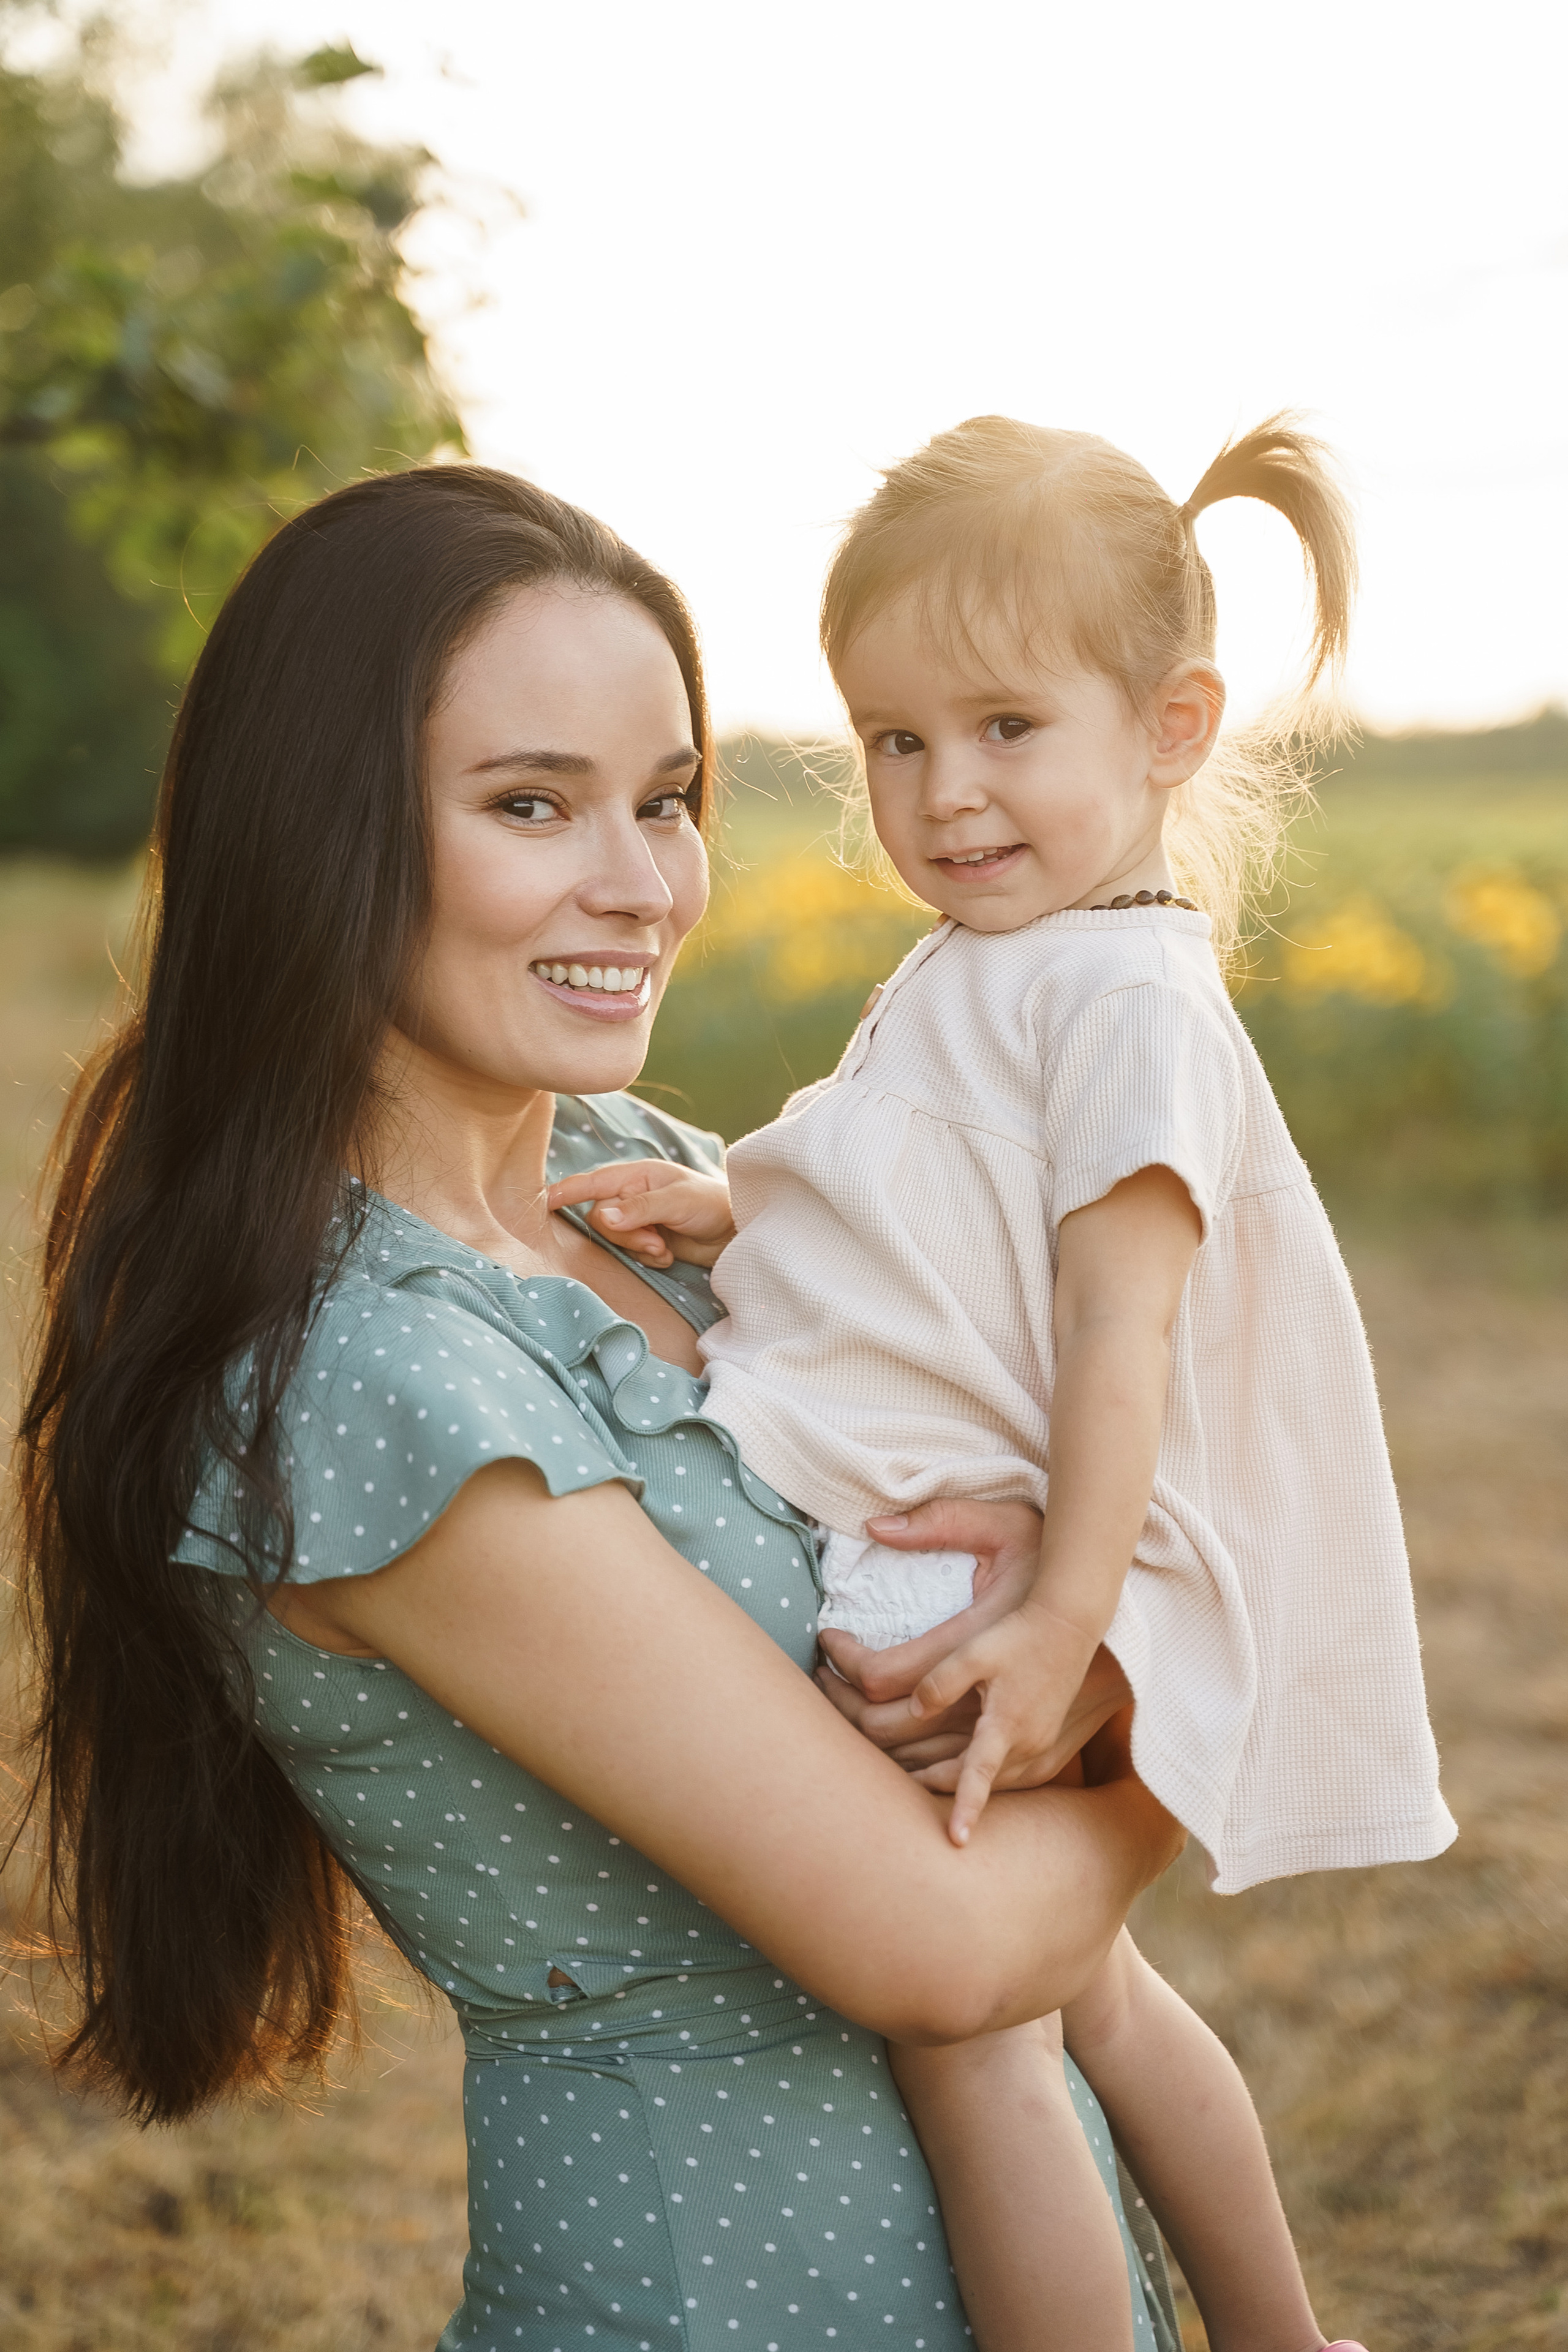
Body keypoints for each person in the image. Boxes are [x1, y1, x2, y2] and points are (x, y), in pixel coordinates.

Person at [13, 464, 1191, 2352]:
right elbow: (941, 1940)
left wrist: (1076, 1606)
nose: (639, 884)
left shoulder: (647, 1186)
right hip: (731, 2295)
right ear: (317, 836)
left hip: (1031, 2226)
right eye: (531, 804)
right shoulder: (365, 1379)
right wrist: (1189, 1694)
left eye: (665, 801)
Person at [554, 418, 1452, 2352]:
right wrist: (739, 1210)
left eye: (1004, 730)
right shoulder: (1016, 962)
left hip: (972, 1570)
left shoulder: (1124, 998)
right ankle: (1286, 2338)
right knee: (1095, 1993)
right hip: (973, 1539)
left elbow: (1122, 1326)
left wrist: (1063, 1620)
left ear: (1170, 726)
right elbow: (935, 1207)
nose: (943, 794)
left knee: (977, 2040)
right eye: (893, 740)